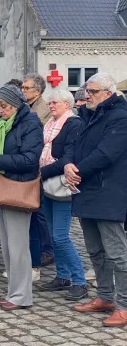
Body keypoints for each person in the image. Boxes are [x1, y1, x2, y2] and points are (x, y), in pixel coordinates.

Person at [65, 73, 127, 327]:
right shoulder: (88, 116)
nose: (86, 95)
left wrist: (76, 171)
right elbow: (73, 146)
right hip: (87, 190)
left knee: (117, 253)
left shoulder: (120, 117)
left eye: (92, 92)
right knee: (95, 250)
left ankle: (124, 305)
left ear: (108, 93)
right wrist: (68, 164)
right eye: (86, 91)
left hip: (109, 192)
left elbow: (106, 154)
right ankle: (105, 297)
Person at [0, 84, 43, 311]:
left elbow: (29, 159)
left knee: (18, 246)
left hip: (19, 187)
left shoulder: (31, 123)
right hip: (3, 184)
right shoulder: (4, 124)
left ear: (15, 105)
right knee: (7, 246)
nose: (0, 110)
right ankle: (13, 291)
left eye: (4, 106)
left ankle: (22, 295)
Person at [38, 90, 87, 300]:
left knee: (60, 236)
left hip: (61, 185)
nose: (50, 106)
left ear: (67, 104)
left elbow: (69, 155)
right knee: (52, 233)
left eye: (55, 102)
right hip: (48, 186)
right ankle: (62, 276)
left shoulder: (73, 124)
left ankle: (80, 280)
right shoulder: (50, 126)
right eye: (49, 103)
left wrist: (42, 172)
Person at [22, 73, 55, 269]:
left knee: (41, 210)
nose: (23, 91)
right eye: (23, 88)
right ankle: (39, 247)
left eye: (27, 88)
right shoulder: (29, 107)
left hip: (42, 164)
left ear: (38, 90)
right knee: (35, 209)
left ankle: (47, 249)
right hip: (32, 163)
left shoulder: (43, 109)